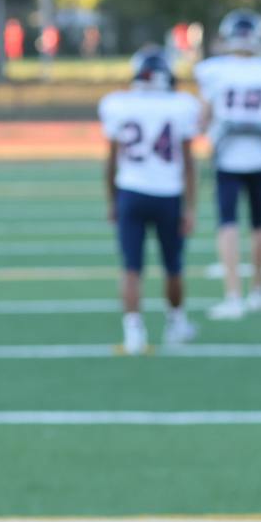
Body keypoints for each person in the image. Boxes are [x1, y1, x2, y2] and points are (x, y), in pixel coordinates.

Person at [97, 46, 202, 354]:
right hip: (168, 194)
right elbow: (189, 162)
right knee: (173, 266)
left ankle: (133, 331)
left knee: (131, 267)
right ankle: (176, 323)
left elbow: (111, 160)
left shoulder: (118, 104)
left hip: (130, 191)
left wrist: (112, 200)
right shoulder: (181, 105)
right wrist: (191, 207)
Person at [194, 9, 261, 318]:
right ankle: (258, 291)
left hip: (226, 156)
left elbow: (203, 118)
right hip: (260, 156)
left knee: (228, 225)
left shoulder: (214, 71)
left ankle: (233, 294)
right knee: (260, 225)